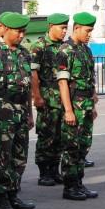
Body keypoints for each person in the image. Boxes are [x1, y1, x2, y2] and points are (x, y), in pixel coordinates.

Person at [0, 12, 36, 209]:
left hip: (20, 110)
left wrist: (30, 113)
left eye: (23, 32)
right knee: (1, 155)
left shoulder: (23, 53)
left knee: (19, 155)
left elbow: (27, 85)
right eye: (18, 31)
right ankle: (1, 196)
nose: (21, 35)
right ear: (7, 30)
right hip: (1, 109)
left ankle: (14, 193)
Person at [56, 12, 101, 199]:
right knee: (71, 147)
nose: (90, 34)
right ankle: (69, 187)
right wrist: (68, 110)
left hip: (86, 105)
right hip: (74, 104)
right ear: (77, 28)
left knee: (83, 146)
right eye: (87, 31)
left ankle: (79, 183)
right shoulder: (65, 51)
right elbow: (62, 83)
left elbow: (90, 80)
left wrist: (93, 105)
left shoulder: (86, 50)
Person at [30, 13, 69, 186]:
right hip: (47, 96)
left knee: (60, 135)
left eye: (66, 28)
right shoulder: (40, 46)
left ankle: (55, 170)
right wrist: (36, 96)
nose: (64, 31)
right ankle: (44, 171)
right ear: (51, 26)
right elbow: (34, 74)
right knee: (47, 135)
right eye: (62, 28)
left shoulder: (64, 47)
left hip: (62, 97)